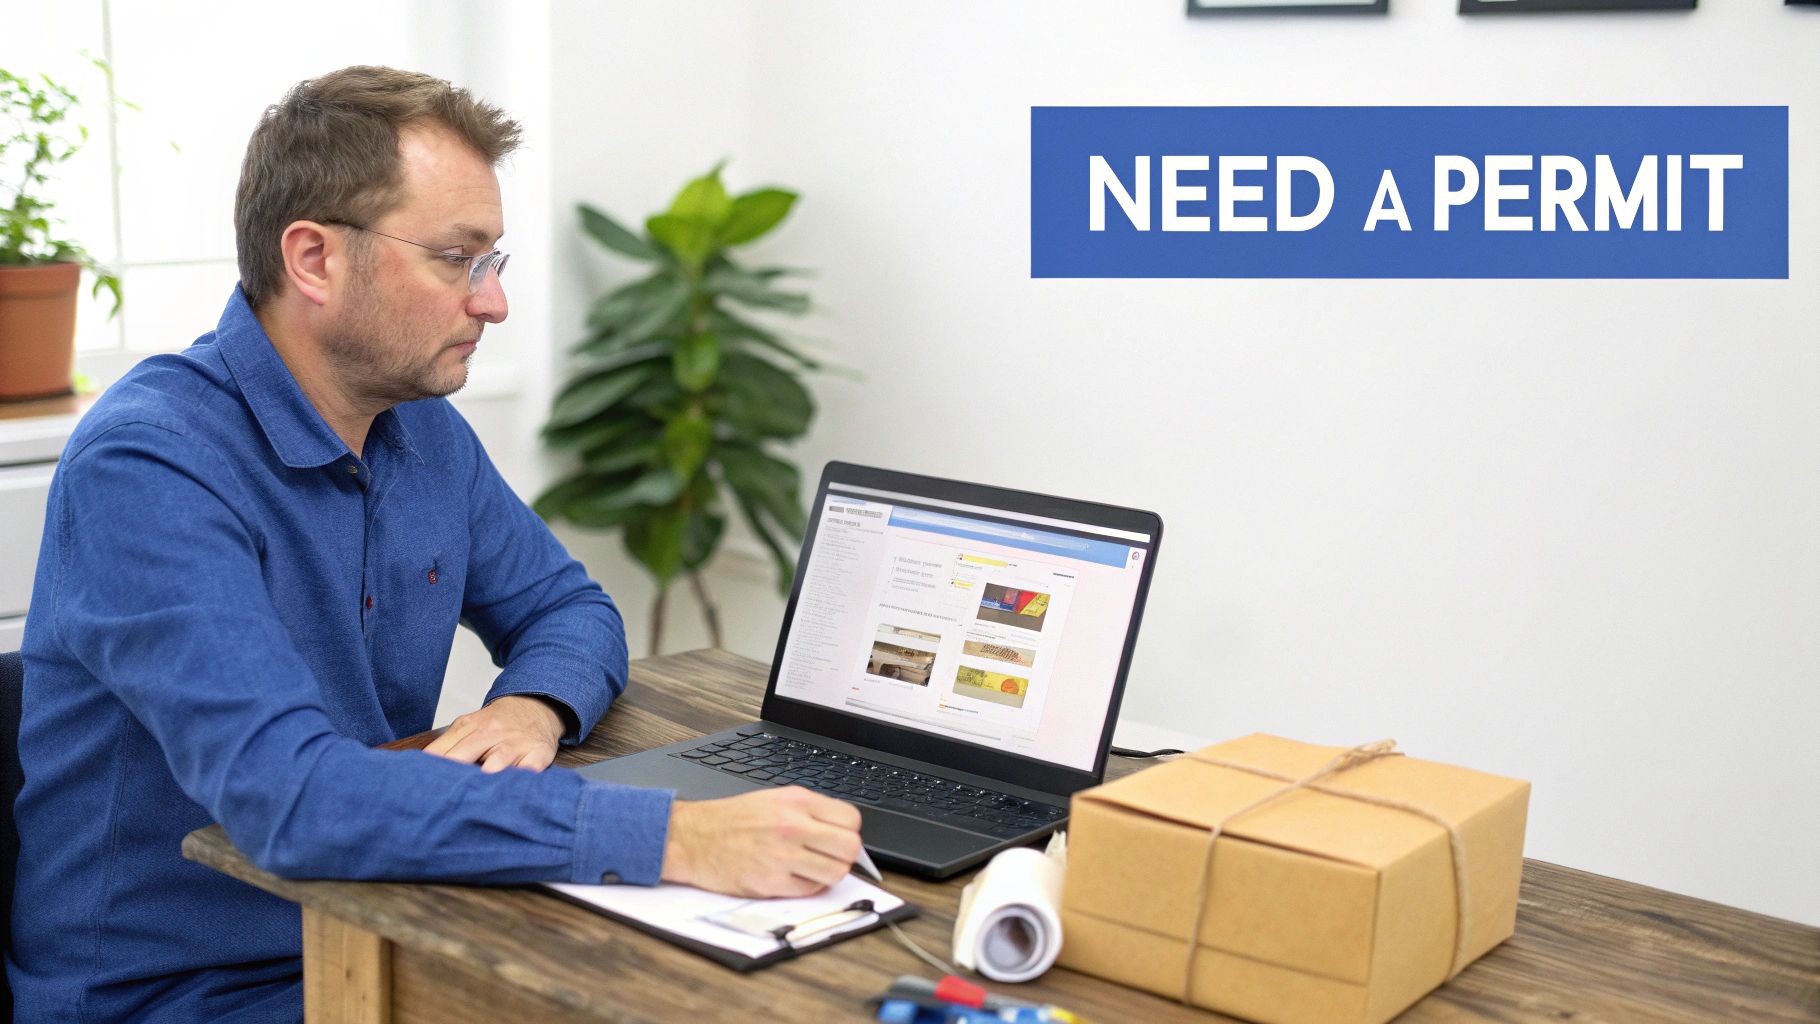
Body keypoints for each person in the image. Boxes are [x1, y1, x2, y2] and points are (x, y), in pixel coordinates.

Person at [6, 66, 861, 1024]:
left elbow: (568, 607)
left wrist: (535, 704)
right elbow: (292, 797)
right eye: (459, 259)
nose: (491, 304)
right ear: (315, 259)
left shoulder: (415, 427)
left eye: (492, 262)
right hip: (182, 991)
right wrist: (681, 840)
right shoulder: (151, 463)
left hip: (380, 919)